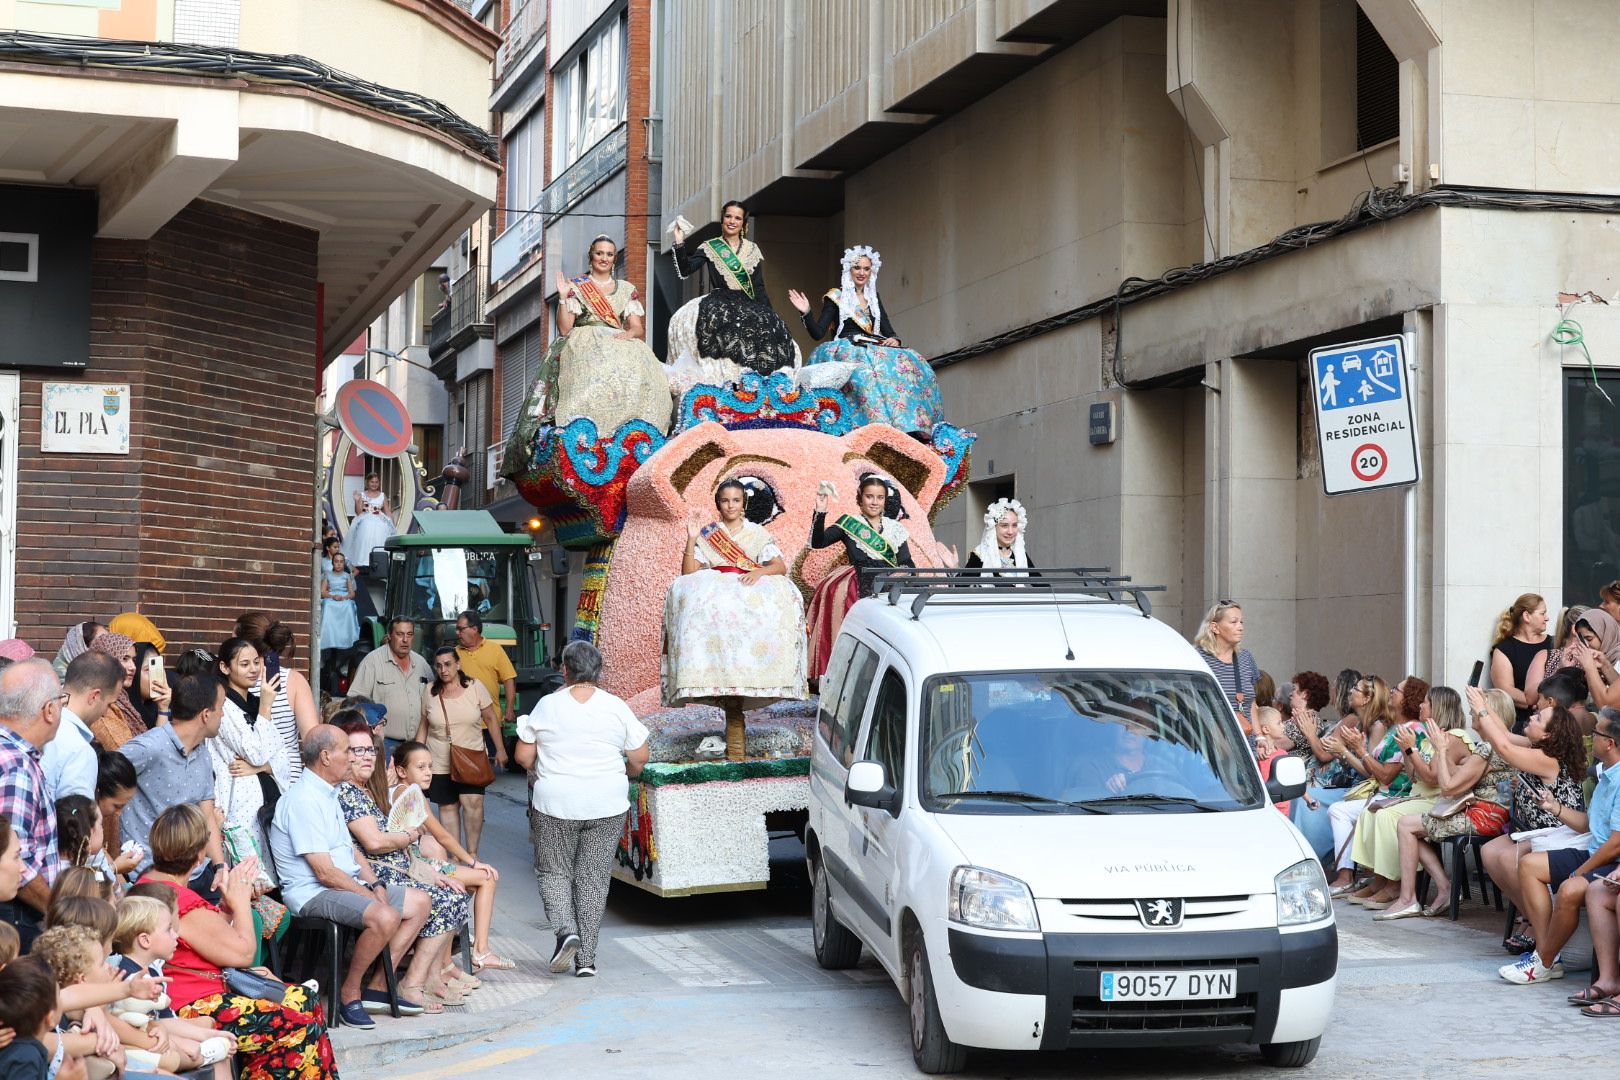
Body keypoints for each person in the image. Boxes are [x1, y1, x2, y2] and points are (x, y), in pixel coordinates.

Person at [137, 805, 340, 1075]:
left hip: (201, 993)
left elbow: (207, 939)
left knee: (305, 1000)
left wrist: (229, 907)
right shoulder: (176, 897)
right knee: (298, 1028)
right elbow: (243, 953)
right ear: (199, 855)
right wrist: (242, 901)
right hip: (192, 1004)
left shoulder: (151, 884)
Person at [269, 726, 433, 1028]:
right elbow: (324, 872)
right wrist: (369, 896)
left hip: (344, 881)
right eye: (348, 750)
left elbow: (351, 852)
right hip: (312, 892)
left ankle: (378, 988)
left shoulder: (328, 791)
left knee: (420, 902)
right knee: (383, 916)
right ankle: (349, 992)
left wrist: (375, 883)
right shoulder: (304, 799)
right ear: (325, 756)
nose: (354, 757)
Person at [515, 641, 649, 978]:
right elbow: (639, 757)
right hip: (607, 801)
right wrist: (626, 774)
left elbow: (523, 757)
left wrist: (538, 767)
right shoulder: (616, 707)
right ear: (600, 671)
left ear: (565, 670)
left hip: (556, 801)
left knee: (554, 871)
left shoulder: (547, 705)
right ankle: (586, 959)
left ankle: (565, 931)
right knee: (593, 879)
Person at [662, 478, 808, 759]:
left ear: (744, 504)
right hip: (719, 597)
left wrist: (759, 573)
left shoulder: (757, 534)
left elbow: (779, 565)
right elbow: (689, 572)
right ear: (719, 504)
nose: (731, 505)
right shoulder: (708, 534)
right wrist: (692, 538)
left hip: (747, 594)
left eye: (736, 501)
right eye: (726, 501)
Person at [332, 717, 462, 1013]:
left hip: (397, 868)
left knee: (453, 894)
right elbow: (374, 843)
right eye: (357, 751)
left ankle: (414, 979)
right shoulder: (347, 792)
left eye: (370, 750)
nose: (365, 757)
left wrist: (431, 871)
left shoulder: (369, 790)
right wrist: (408, 835)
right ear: (342, 755)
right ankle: (400, 984)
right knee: (442, 898)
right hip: (377, 874)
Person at [1501, 706, 1620, 984]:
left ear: (1610, 743)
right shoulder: (1607, 774)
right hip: (1595, 852)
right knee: (1529, 865)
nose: (1590, 737)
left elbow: (1615, 846)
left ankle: (1542, 960)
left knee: (1569, 889)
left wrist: (1580, 871)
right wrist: (1555, 807)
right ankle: (1547, 956)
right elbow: (1589, 824)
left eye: (1596, 733)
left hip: (1607, 860)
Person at [1471, 683, 1590, 953]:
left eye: (1538, 718)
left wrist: (1479, 709)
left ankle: (1541, 927)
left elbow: (1503, 747)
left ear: (1549, 735)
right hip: (1534, 830)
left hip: (1558, 831)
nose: (1531, 716)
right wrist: (1482, 702)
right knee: (1490, 852)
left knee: (1506, 857)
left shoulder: (1548, 758)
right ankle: (1529, 913)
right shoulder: (1539, 746)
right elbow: (1501, 734)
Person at [1375, 694, 1514, 920]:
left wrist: (1439, 750)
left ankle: (1409, 898)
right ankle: (1441, 888)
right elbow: (1458, 777)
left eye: (1475, 710)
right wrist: (1436, 750)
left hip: (1484, 816)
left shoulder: (1488, 749)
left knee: (1406, 825)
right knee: (1408, 825)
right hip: (1487, 812)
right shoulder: (1492, 746)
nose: (1470, 714)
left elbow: (1448, 787)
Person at [381, 740, 508, 976]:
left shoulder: (393, 790)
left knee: (468, 884)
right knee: (486, 877)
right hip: (416, 866)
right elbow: (443, 836)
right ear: (401, 771)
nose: (428, 772)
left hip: (413, 863)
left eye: (430, 766)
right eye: (420, 767)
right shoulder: (411, 794)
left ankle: (446, 957)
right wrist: (473, 861)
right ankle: (479, 951)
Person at [786, 244, 943, 434]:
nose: (861, 273)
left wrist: (895, 340)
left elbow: (888, 330)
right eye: (857, 268)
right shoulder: (836, 297)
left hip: (873, 346)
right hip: (848, 346)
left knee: (912, 362)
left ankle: (911, 424)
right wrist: (806, 312)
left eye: (866, 268)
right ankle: (872, 425)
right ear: (849, 270)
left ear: (872, 271)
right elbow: (817, 333)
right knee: (865, 374)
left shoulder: (873, 298)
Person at [807, 475, 951, 678]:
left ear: (885, 500)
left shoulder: (895, 529)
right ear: (860, 498)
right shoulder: (849, 524)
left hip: (890, 589)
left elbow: (908, 563)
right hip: (857, 588)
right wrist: (820, 511)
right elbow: (817, 542)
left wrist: (901, 572)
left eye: (879, 497)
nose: (874, 502)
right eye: (869, 497)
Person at [545, 236, 673, 437]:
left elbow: (637, 328)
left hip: (619, 341)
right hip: (585, 342)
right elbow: (564, 329)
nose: (604, 258)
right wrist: (562, 297)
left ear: (614, 259)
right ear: (591, 256)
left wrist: (628, 333)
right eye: (599, 253)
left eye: (609, 254)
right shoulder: (577, 286)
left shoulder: (626, 288)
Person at [119, 667, 228, 877]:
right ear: (206, 714)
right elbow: (104, 775)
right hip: (149, 876)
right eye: (221, 707)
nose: (223, 714)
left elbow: (207, 817)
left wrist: (220, 867)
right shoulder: (148, 747)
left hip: (195, 873)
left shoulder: (203, 755)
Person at [669, 201, 797, 376]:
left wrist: (770, 316)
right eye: (728, 216)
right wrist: (679, 241)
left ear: (743, 223)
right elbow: (686, 270)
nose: (732, 221)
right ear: (722, 219)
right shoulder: (710, 246)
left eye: (737, 218)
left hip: (749, 302)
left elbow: (758, 287)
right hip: (721, 300)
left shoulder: (752, 249)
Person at [1333, 676, 1428, 902]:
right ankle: (1379, 879)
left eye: (1398, 689)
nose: (1392, 692)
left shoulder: (1411, 729)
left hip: (1400, 795)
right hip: (1386, 793)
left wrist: (1358, 750)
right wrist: (1357, 749)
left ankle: (1391, 882)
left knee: (1376, 813)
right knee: (1365, 812)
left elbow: (1385, 775)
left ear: (1409, 699)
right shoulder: (1395, 727)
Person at [0, 659, 64, 949]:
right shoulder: (17, 768)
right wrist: (58, 910)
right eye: (62, 701)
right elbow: (19, 862)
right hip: (18, 918)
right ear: (48, 710)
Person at [418, 647, 502, 858]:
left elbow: (491, 718)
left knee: (473, 803)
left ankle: (472, 852)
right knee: (447, 807)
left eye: (447, 664)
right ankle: (455, 855)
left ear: (458, 664)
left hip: (471, 756)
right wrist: (417, 757)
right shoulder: (430, 691)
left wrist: (500, 749)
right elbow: (424, 726)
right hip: (439, 758)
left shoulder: (474, 687)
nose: (443, 670)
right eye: (438, 665)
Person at [235, 613, 319, 785]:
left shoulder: (234, 680)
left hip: (247, 779)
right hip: (289, 779)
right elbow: (313, 741)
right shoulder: (294, 680)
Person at [41, 652, 123, 802]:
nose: (106, 712)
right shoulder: (80, 751)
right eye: (109, 704)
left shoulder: (36, 722)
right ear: (94, 696)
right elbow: (76, 820)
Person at [349, 617, 434, 752]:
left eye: (409, 634)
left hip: (417, 743)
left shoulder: (421, 664)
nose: (405, 640)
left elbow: (434, 699)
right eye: (400, 634)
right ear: (389, 636)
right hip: (385, 744)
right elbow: (354, 703)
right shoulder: (372, 662)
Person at [453, 611, 518, 747]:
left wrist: (509, 709)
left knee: (492, 765)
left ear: (475, 629)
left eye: (461, 629)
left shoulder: (495, 650)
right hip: (463, 723)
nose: (457, 633)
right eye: (457, 629)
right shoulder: (454, 654)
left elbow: (508, 679)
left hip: (491, 723)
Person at [1491, 592, 1551, 730]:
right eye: (1542, 613)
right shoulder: (1505, 649)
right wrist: (1538, 703)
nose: (1547, 618)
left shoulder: (1553, 643)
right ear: (1526, 616)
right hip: (1522, 724)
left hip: (1555, 719)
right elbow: (1505, 689)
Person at [1192, 601, 1259, 724]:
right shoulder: (1197, 658)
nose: (1240, 627)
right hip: (1212, 739)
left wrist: (1260, 737)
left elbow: (1251, 703)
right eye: (1234, 622)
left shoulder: (1245, 657)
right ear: (1215, 627)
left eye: (1241, 622)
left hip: (1246, 739)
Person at [86, 631, 146, 750]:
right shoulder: (101, 703)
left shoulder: (122, 698)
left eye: (133, 660)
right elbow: (125, 752)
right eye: (125, 659)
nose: (133, 667)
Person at [964, 498, 1038, 576]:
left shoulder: (1019, 553)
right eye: (1004, 526)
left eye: (1014, 525)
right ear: (993, 527)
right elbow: (961, 585)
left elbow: (1041, 584)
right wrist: (954, 567)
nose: (1010, 532)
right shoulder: (981, 554)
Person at [320, 553, 361, 687]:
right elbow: (322, 591)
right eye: (336, 561)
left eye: (341, 562)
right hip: (332, 598)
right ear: (332, 563)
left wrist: (345, 597)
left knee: (349, 606)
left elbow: (352, 593)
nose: (338, 564)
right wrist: (333, 596)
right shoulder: (327, 575)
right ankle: (328, 635)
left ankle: (346, 636)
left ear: (344, 563)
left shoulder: (347, 576)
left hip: (344, 599)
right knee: (327, 605)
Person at [1568, 608, 1620, 710]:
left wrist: (1590, 666)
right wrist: (1605, 666)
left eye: (1589, 639)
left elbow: (1606, 705)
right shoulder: (1599, 660)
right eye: (1582, 640)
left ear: (1606, 633)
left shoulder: (1618, 659)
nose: (1586, 645)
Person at [345, 472, 396, 569]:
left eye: (376, 482)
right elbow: (359, 512)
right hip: (365, 518)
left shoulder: (382, 495)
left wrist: (392, 523)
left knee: (381, 529)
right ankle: (365, 560)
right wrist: (356, 500)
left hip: (380, 519)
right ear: (367, 482)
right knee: (367, 527)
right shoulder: (362, 494)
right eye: (372, 482)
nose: (374, 484)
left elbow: (387, 511)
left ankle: (380, 560)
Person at [129, 642, 171, 730]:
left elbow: (162, 742)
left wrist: (163, 709)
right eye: (148, 669)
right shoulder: (123, 710)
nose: (154, 677)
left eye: (157, 669)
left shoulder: (157, 707)